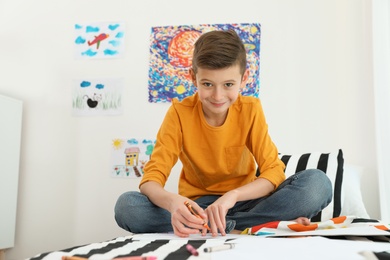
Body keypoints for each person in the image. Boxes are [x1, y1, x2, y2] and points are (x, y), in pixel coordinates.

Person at [115, 29, 332, 237]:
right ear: (193, 78)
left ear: (243, 79)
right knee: (127, 207)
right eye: (207, 84)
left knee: (317, 183)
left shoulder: (251, 109)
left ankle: (216, 226)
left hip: (243, 201)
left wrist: (232, 196)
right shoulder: (179, 113)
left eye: (228, 84)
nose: (218, 96)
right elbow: (151, 179)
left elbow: (273, 172)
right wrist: (174, 203)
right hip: (197, 207)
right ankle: (242, 226)